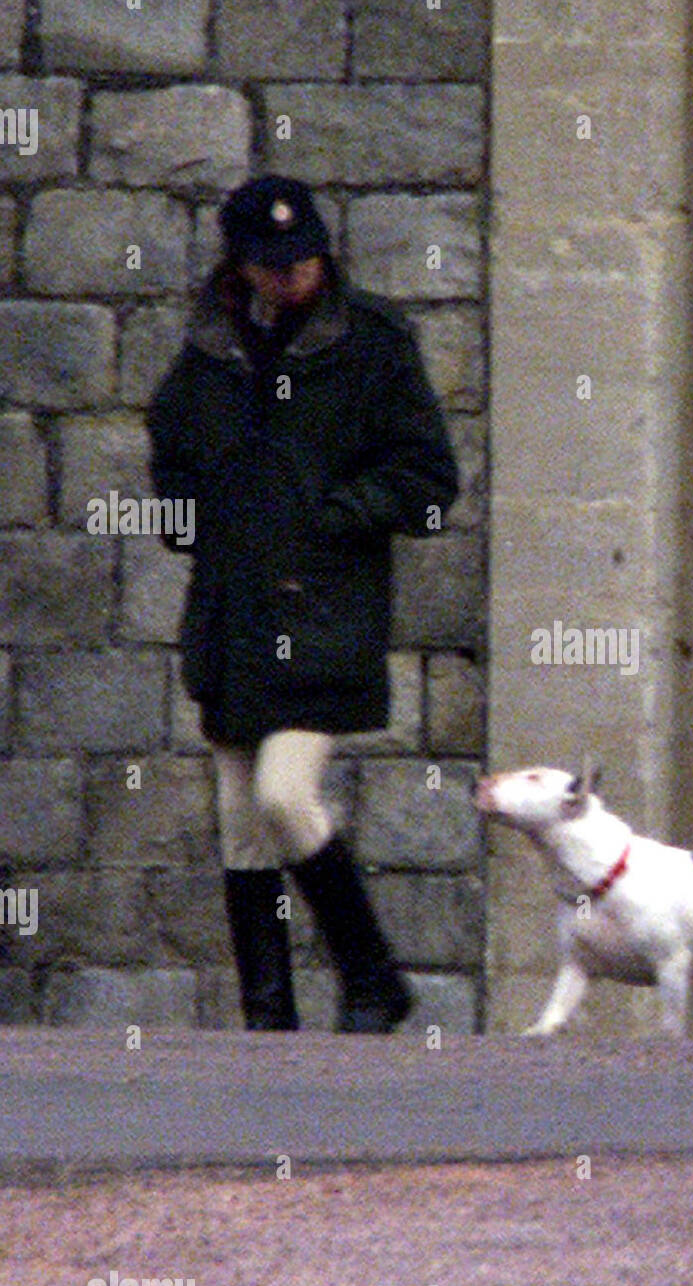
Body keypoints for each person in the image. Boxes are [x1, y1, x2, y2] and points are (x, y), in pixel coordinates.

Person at [146, 175, 458, 1032]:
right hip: (229, 615)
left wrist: (329, 520)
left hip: (323, 616)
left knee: (286, 797)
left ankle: (373, 980)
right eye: (275, 264)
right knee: (242, 828)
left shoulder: (375, 344)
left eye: (306, 258)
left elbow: (430, 481)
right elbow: (169, 455)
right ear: (241, 266)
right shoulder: (206, 354)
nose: (296, 276)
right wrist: (194, 521)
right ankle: (269, 1024)